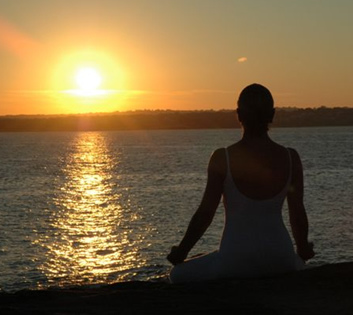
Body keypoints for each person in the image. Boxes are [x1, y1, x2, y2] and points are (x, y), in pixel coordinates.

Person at [167, 83, 315, 283]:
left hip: (235, 259)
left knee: (177, 275)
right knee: (298, 265)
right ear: (272, 115)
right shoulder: (291, 157)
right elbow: (297, 212)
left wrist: (181, 252)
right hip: (280, 257)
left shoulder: (222, 158)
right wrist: (303, 249)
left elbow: (206, 213)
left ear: (239, 114)